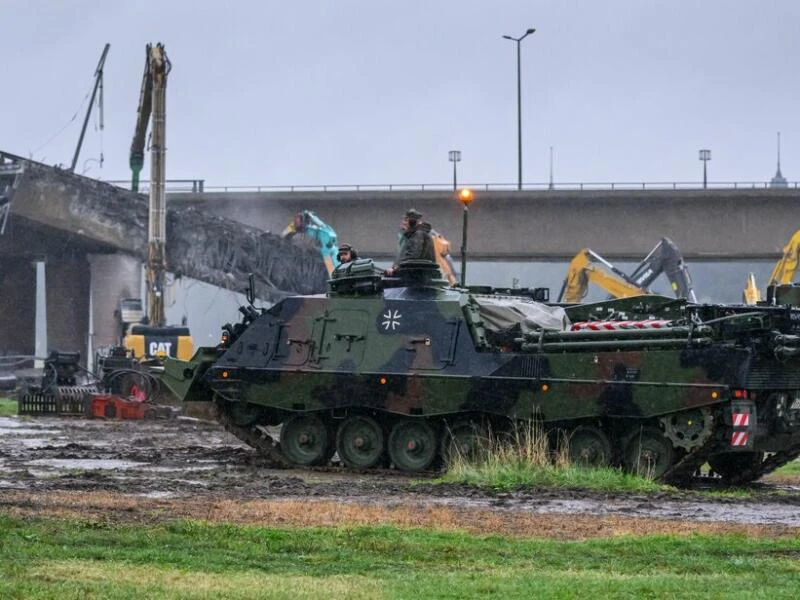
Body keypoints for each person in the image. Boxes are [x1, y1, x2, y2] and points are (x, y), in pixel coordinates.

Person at [385, 208, 435, 275]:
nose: (403, 223)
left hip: (415, 278)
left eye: (406, 220)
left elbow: (412, 257)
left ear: (413, 222)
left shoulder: (418, 235)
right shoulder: (416, 235)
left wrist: (395, 269)